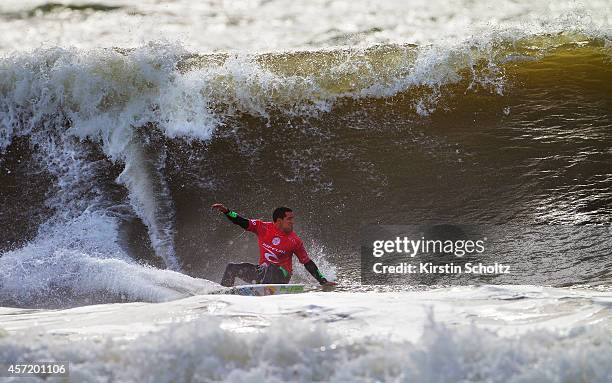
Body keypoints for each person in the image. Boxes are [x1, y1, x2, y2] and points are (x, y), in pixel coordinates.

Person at [211, 203, 336, 287]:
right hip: (263, 272)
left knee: (270, 267)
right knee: (231, 268)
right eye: (289, 219)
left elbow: (307, 262)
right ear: (279, 221)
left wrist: (323, 281)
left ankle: (262, 292)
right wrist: (227, 212)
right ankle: (223, 295)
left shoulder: (295, 240)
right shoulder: (262, 227)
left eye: (293, 218)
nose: (293, 222)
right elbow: (241, 221)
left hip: (282, 276)